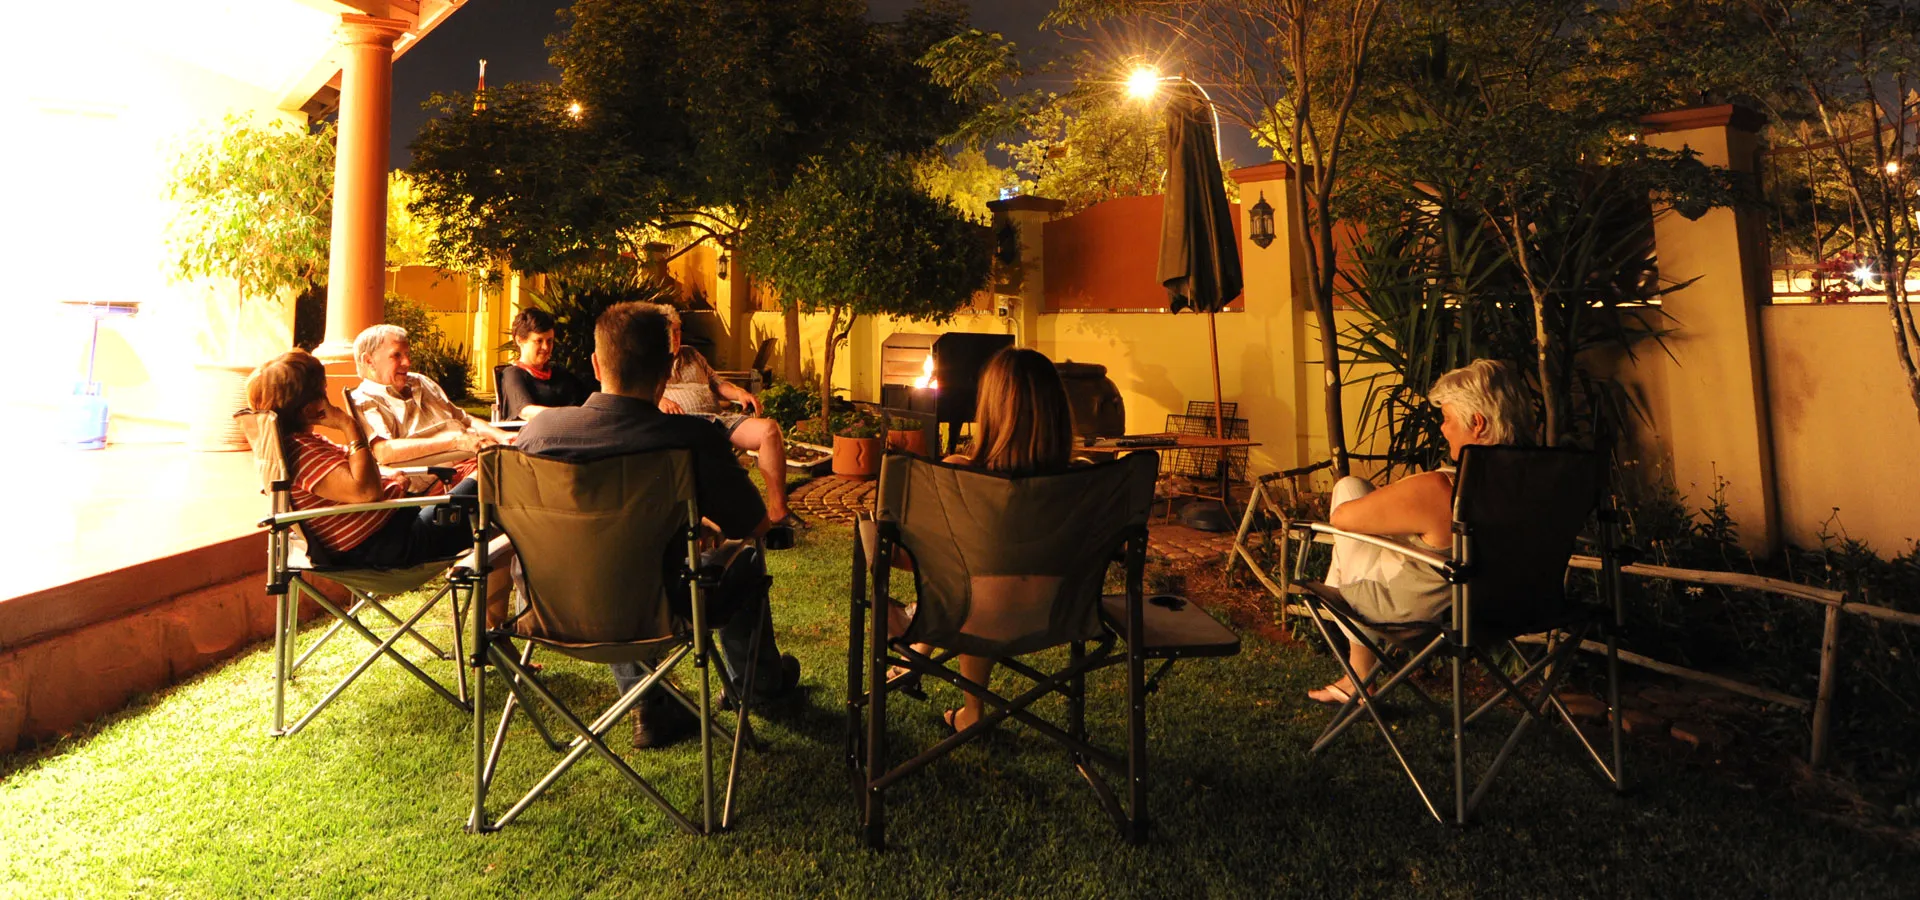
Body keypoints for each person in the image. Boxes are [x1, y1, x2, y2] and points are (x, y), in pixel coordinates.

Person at [515, 301, 801, 749]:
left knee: (606, 561)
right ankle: (758, 685)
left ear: (595, 363)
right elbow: (753, 525)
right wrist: (710, 530)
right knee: (743, 558)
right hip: (658, 610)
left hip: (547, 605)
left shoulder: (538, 435)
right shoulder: (690, 440)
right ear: (669, 368)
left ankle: (646, 701)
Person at [1305, 358, 1538, 706]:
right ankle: (1356, 678)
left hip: (1419, 616)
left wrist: (1410, 493)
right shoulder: (1538, 484)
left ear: (1476, 423)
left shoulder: (1443, 489)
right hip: (1514, 609)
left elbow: (1342, 518)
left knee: (1349, 490)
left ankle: (1358, 674)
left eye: (1446, 419)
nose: (1442, 429)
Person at [884, 346, 1079, 734]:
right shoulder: (1080, 482)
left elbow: (909, 559)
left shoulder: (960, 476)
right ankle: (928, 663)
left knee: (969, 583)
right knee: (984, 580)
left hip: (971, 614)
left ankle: (953, 693)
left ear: (990, 410)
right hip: (1058, 615)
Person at [247, 350, 475, 569]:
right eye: (323, 390)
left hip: (394, 529)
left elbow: (353, 467)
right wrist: (349, 425)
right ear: (310, 409)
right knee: (492, 475)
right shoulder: (302, 453)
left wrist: (389, 478)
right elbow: (366, 492)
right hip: (392, 544)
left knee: (486, 478)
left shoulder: (303, 444)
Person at [654, 305, 801, 528]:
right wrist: (659, 401)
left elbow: (718, 383)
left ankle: (778, 511)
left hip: (719, 418)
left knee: (769, 430)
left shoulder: (691, 354)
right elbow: (639, 393)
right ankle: (713, 519)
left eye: (678, 330)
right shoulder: (650, 361)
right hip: (688, 426)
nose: (675, 337)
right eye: (670, 332)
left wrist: (740, 393)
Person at [348, 324, 515, 472]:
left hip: (479, 457)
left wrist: (501, 436)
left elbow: (464, 419)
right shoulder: (364, 400)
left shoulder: (420, 381)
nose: (407, 362)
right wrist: (456, 442)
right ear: (369, 361)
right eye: (396, 355)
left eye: (407, 354)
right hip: (446, 477)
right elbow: (384, 451)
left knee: (535, 442)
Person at [497, 308, 591, 421]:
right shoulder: (513, 375)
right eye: (539, 341)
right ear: (520, 341)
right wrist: (569, 415)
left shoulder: (560, 374)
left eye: (549, 341)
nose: (546, 347)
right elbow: (526, 411)